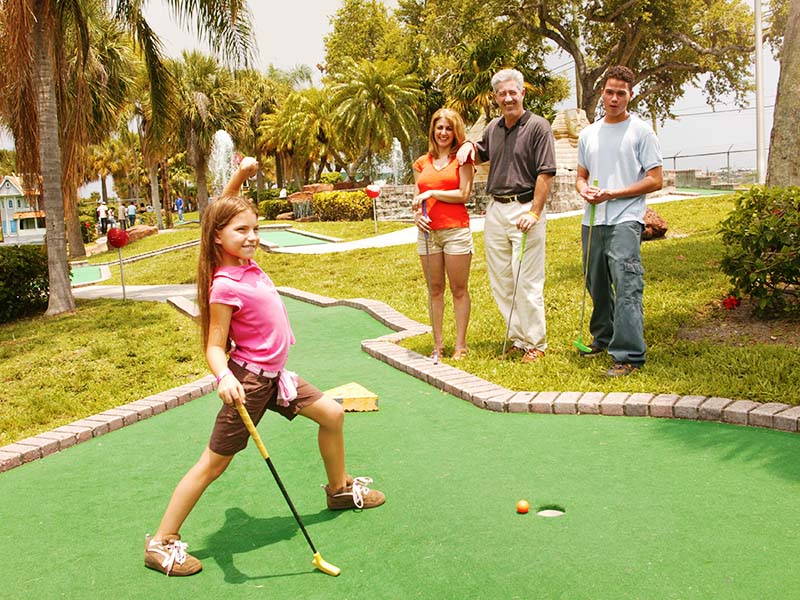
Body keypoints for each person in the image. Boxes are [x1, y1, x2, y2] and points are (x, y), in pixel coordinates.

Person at [144, 157, 385, 577]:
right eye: (241, 231)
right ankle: (161, 541)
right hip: (249, 383)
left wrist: (240, 177)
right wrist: (223, 379)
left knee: (331, 413)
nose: (252, 236)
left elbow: (223, 207)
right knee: (214, 463)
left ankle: (339, 489)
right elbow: (214, 346)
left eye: (255, 228)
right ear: (218, 238)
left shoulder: (248, 266)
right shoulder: (226, 283)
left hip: (278, 379)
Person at [457, 68, 556, 364]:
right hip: (496, 210)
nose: (508, 98)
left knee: (527, 280)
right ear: (496, 98)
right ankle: (518, 337)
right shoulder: (494, 128)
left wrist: (535, 213)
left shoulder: (539, 127)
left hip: (525, 209)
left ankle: (536, 343)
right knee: (501, 280)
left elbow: (546, 173)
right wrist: (467, 146)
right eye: (503, 94)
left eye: (513, 92)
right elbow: (481, 152)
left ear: (522, 93)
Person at [575, 65, 663, 377]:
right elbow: (581, 176)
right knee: (595, 282)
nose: (615, 98)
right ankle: (603, 337)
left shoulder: (641, 132)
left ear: (630, 95)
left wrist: (614, 194)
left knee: (626, 285)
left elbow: (655, 180)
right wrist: (585, 190)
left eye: (621, 93)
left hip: (626, 219)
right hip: (593, 220)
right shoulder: (588, 134)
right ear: (602, 92)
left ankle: (628, 355)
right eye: (610, 92)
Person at [412, 108, 475, 360]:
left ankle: (460, 344)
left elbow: (464, 194)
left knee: (458, 288)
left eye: (449, 128)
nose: (444, 133)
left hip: (455, 230)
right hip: (428, 233)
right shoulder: (421, 163)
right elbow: (417, 197)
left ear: (455, 132)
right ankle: (437, 344)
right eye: (439, 128)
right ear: (433, 130)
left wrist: (433, 194)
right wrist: (417, 214)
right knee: (434, 289)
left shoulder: (462, 160)